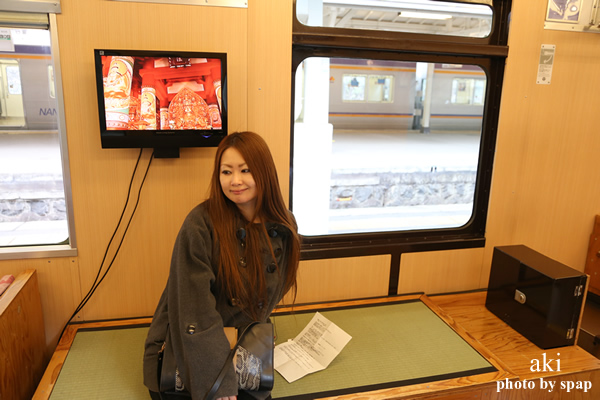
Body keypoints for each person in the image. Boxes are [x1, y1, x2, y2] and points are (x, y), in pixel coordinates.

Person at [143, 131, 301, 400]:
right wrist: (217, 380)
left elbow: (273, 292)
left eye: (245, 170)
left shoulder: (284, 224)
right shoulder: (200, 223)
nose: (235, 181)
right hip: (192, 345)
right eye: (226, 172)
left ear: (264, 173)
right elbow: (194, 310)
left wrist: (257, 332)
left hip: (243, 346)